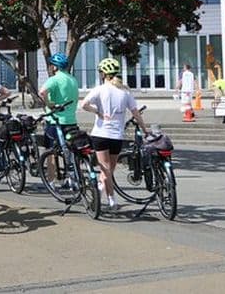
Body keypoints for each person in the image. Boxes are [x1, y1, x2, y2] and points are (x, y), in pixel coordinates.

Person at [81, 57, 148, 212]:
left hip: (100, 134)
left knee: (104, 169)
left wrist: (97, 112)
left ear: (103, 74)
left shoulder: (99, 89)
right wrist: (145, 129)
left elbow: (84, 104)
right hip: (116, 135)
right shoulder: (125, 92)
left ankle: (106, 196)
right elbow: (136, 113)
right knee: (109, 170)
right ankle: (106, 197)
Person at [38, 53, 79, 187]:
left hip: (56, 121)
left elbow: (42, 92)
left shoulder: (54, 79)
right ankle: (72, 178)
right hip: (71, 120)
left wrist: (48, 103)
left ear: (55, 67)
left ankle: (51, 180)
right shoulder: (73, 79)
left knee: (51, 151)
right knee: (71, 150)